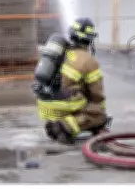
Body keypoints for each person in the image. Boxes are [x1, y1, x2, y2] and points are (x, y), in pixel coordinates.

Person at [34, 17, 110, 145]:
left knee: (77, 95)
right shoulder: (89, 60)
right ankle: (64, 127)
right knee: (98, 115)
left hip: (44, 104)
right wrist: (100, 114)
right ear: (90, 39)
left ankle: (55, 125)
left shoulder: (60, 52)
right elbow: (96, 94)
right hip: (64, 104)